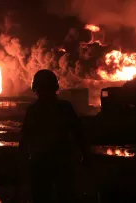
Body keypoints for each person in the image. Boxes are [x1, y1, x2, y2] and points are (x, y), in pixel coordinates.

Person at [19, 69, 90, 203]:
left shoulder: (33, 110)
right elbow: (78, 133)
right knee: (64, 195)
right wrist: (86, 156)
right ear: (55, 87)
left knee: (42, 196)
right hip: (61, 161)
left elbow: (25, 138)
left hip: (41, 162)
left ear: (35, 89)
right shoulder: (65, 107)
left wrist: (21, 160)